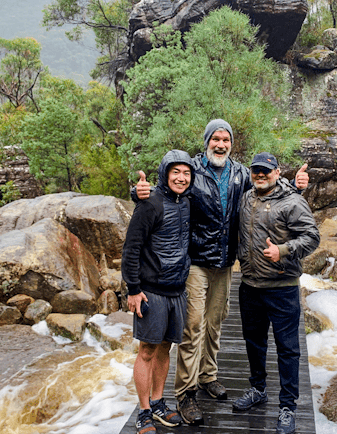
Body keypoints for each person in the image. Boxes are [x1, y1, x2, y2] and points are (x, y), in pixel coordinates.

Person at [135, 119, 309, 425]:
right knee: (193, 327)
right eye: (215, 138)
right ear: (206, 142)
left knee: (215, 323)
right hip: (196, 262)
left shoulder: (241, 173)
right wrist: (138, 193)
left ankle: (208, 375)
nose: (221, 144)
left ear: (231, 144)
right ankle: (186, 392)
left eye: (226, 139)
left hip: (226, 263)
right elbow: (166, 185)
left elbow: (267, 189)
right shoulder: (191, 169)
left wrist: (296, 187)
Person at [232, 152, 320, 434]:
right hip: (250, 286)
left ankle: (287, 407)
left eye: (266, 171)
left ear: (277, 172)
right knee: (254, 343)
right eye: (256, 170)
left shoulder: (293, 201)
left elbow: (312, 237)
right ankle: (258, 389)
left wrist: (281, 251)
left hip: (282, 288)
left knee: (288, 349)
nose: (260, 175)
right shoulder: (246, 198)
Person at [122, 150, 194, 434]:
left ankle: (158, 403)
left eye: (186, 173)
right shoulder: (150, 203)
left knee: (166, 348)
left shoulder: (188, 201)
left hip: (177, 288)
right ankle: (143, 412)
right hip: (151, 290)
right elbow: (131, 248)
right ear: (165, 173)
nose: (181, 177)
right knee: (148, 350)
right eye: (175, 172)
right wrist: (133, 289)